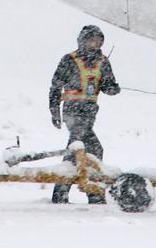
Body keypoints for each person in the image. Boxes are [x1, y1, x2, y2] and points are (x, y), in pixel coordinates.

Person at [49, 25, 120, 204]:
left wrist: (113, 89)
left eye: (98, 41)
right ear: (82, 40)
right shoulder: (69, 60)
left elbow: (107, 85)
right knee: (91, 149)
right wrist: (54, 112)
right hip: (72, 111)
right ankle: (93, 194)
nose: (94, 44)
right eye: (90, 40)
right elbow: (55, 87)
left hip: (89, 112)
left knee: (78, 150)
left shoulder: (103, 61)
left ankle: (63, 194)